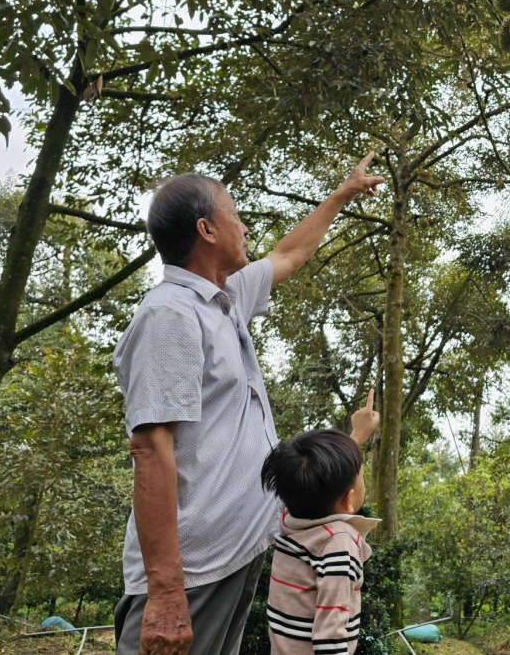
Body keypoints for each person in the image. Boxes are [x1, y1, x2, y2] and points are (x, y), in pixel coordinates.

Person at [112, 156, 384, 655]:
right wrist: (168, 594)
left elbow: (291, 253)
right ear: (207, 229)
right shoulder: (170, 315)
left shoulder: (225, 297)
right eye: (234, 214)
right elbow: (150, 449)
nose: (244, 225)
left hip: (233, 556)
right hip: (193, 570)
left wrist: (343, 194)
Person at [260, 429, 377, 655]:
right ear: (349, 498)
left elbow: (324, 479)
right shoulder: (338, 543)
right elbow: (329, 634)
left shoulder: (292, 520)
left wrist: (359, 434)